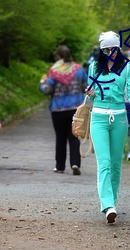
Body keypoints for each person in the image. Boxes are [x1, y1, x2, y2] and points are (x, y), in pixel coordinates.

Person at [86, 31, 130, 223]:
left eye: (113, 49)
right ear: (101, 50)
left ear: (118, 48)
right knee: (105, 163)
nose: (110, 53)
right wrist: (90, 92)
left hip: (120, 118)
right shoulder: (94, 67)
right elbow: (91, 94)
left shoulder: (126, 67)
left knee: (116, 164)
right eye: (106, 49)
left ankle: (112, 201)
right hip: (98, 117)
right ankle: (107, 205)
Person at [39, 45, 88, 175]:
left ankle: (60, 166)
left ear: (58, 57)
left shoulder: (54, 71)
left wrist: (42, 83)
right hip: (75, 109)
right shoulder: (79, 70)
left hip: (58, 109)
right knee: (74, 137)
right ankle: (75, 163)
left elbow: (47, 90)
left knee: (60, 138)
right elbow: (86, 87)